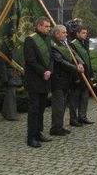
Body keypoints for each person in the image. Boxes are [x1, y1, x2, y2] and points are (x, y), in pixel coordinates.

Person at [23, 17, 53, 148]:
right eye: (46, 26)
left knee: (41, 109)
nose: (48, 29)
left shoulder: (47, 39)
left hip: (46, 79)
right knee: (34, 109)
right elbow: (31, 60)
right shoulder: (30, 39)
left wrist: (50, 71)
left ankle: (39, 133)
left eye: (49, 27)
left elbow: (51, 58)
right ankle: (31, 137)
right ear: (39, 26)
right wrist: (43, 72)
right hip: (35, 80)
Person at [49, 25, 84, 136]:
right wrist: (76, 68)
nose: (66, 34)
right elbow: (60, 61)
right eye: (63, 32)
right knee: (58, 106)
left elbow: (74, 54)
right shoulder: (53, 46)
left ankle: (59, 126)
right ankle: (55, 128)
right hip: (57, 80)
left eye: (65, 32)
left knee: (63, 105)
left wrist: (80, 63)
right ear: (57, 34)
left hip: (66, 80)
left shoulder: (65, 43)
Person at [70, 25, 95, 125]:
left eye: (86, 33)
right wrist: (75, 77)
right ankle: (73, 119)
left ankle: (82, 116)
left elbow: (88, 59)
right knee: (74, 99)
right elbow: (73, 61)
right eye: (83, 33)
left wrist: (91, 73)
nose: (85, 35)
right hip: (78, 75)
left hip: (86, 74)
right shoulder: (72, 45)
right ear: (77, 34)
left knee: (84, 97)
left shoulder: (85, 43)